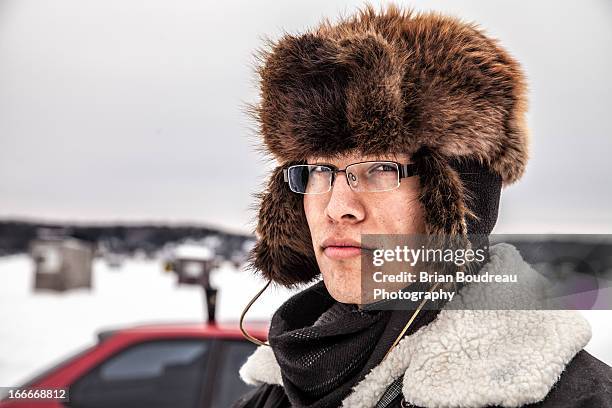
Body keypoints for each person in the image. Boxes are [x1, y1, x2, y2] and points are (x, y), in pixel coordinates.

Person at [233, 4, 612, 408]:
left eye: (381, 168)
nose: (337, 207)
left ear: (466, 194)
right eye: (320, 171)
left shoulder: (578, 398)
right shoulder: (274, 393)